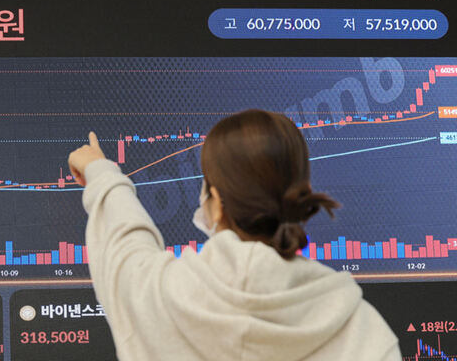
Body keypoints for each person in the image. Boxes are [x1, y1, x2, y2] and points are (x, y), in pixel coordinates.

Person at [68, 109, 401, 361]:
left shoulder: (157, 296)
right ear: (301, 193)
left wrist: (101, 172)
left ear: (215, 203)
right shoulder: (363, 329)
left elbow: (125, 243)